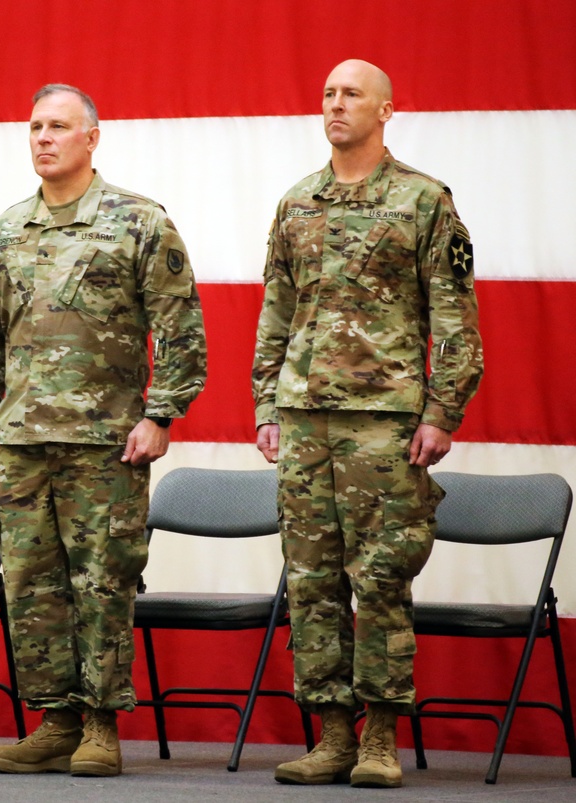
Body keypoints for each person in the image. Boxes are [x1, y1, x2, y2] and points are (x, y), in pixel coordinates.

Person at [0, 84, 207, 777]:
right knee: (33, 583)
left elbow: (182, 327)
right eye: (36, 126)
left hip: (106, 440)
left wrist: (161, 413)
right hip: (24, 440)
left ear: (92, 137)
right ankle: (55, 718)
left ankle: (101, 723)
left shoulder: (136, 221)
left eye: (59, 127)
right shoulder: (9, 229)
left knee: (103, 580)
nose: (44, 138)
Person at [252, 60, 483, 788]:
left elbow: (454, 318)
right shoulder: (297, 203)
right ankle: (330, 734)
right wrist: (266, 404)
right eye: (328, 93)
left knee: (379, 578)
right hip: (305, 420)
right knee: (312, 583)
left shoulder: (422, 201)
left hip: (385, 422)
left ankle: (380, 734)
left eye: (352, 94)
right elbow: (276, 314)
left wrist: (442, 410)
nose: (336, 104)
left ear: (387, 110)